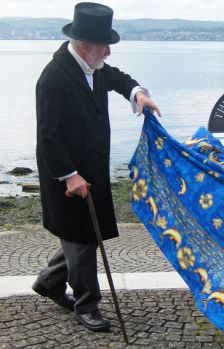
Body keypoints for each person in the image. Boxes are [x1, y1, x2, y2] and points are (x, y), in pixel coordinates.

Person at [33, 2, 160, 332]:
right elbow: (48, 137)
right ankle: (86, 304)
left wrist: (138, 95)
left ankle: (49, 281)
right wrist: (69, 175)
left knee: (85, 235)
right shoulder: (54, 77)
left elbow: (119, 78)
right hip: (66, 174)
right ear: (86, 45)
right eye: (105, 46)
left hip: (93, 167)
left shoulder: (95, 66)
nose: (108, 52)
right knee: (81, 238)